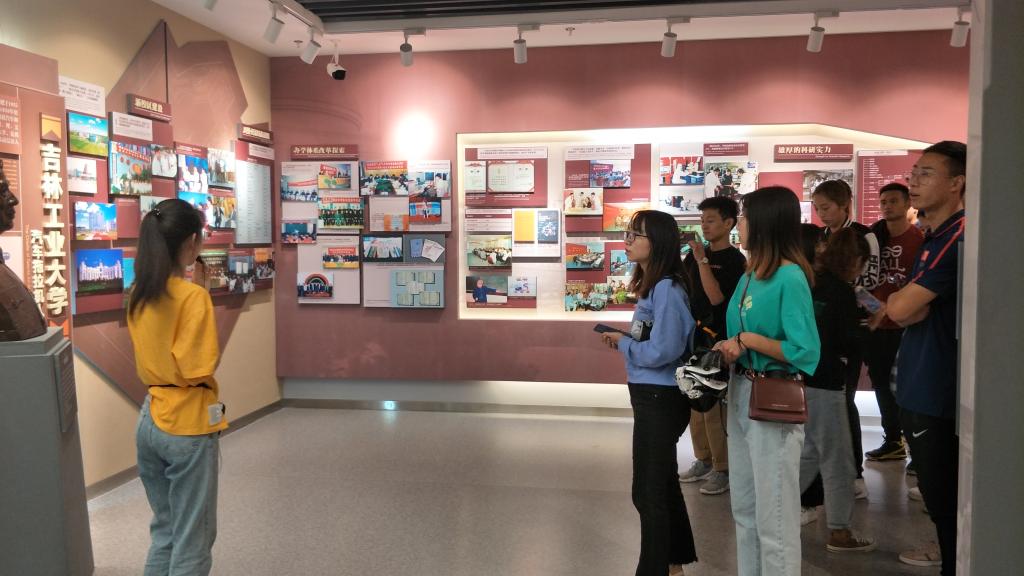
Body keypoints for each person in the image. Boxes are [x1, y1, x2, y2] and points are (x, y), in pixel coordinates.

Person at [713, 186, 820, 576]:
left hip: (773, 398)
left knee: (775, 516)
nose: (738, 224)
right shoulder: (749, 274)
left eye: (743, 217)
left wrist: (749, 341)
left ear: (765, 223)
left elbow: (805, 351)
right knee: (745, 509)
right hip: (740, 390)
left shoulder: (790, 277)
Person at [127, 198, 225, 576]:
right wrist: (200, 294)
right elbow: (199, 366)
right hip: (186, 423)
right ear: (190, 242)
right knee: (193, 539)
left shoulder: (138, 292)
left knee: (166, 530)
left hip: (150, 416)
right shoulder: (193, 297)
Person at [599, 210, 698, 576]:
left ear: (658, 242)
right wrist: (628, 340)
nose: (627, 241)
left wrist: (625, 345)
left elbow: (664, 350)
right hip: (651, 394)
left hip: (661, 397)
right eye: (628, 233)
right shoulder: (655, 286)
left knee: (647, 491)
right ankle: (673, 563)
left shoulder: (668, 288)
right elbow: (654, 339)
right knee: (663, 484)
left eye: (635, 235)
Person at [884, 141, 966, 574]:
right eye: (914, 172)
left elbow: (899, 309)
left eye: (927, 173)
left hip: (938, 393)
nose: (914, 181)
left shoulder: (959, 237)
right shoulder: (936, 236)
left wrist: (906, 304)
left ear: (957, 183)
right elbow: (907, 309)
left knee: (948, 503)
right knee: (937, 500)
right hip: (919, 387)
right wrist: (909, 305)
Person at [798, 225, 876, 552]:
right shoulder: (844, 292)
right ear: (856, 260)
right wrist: (870, 327)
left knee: (810, 452)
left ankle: (773, 509)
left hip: (803, 378)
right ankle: (840, 531)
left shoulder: (810, 282)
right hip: (828, 381)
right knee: (838, 459)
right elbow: (846, 340)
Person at [811, 179, 880, 499]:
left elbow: (869, 283)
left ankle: (852, 472)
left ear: (845, 204)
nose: (822, 214)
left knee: (844, 402)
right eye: (817, 208)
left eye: (826, 207)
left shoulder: (865, 236)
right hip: (826, 340)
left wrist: (872, 307)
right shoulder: (820, 238)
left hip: (849, 333)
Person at [678, 197, 746, 496]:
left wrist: (703, 262)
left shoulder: (735, 260)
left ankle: (723, 467)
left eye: (711, 220)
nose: (704, 225)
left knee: (714, 403)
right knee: (694, 397)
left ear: (729, 223)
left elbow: (716, 298)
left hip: (718, 339)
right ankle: (703, 458)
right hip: (693, 337)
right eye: (702, 219)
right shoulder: (694, 256)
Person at [864, 183, 924, 462]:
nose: (887, 206)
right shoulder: (873, 239)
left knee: (906, 387)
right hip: (878, 326)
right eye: (883, 202)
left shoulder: (919, 240)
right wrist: (875, 310)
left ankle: (916, 448)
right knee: (880, 385)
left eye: (893, 201)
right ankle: (892, 440)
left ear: (907, 203)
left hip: (907, 326)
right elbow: (860, 281)